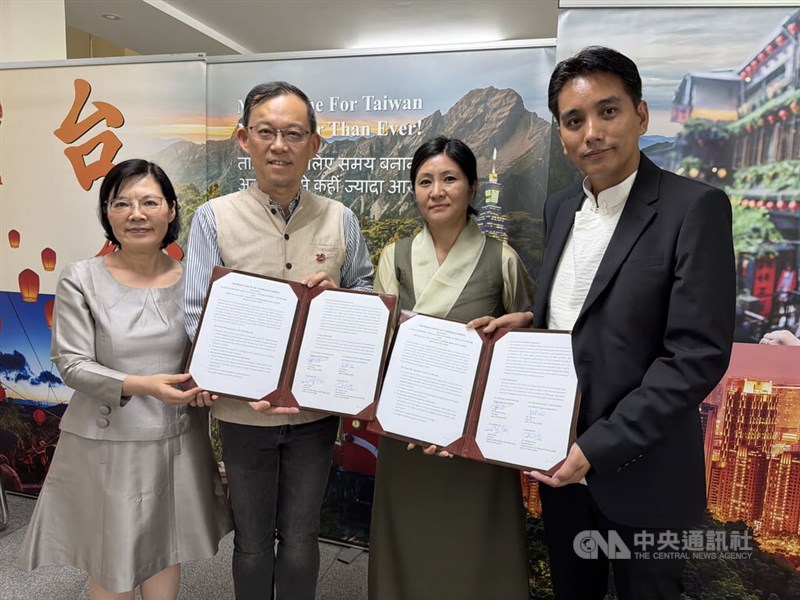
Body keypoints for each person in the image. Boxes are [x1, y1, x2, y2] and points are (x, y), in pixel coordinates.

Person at [485, 47, 735, 599]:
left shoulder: (694, 208)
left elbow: (696, 354)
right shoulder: (558, 207)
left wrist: (597, 449)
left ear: (641, 116)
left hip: (644, 473)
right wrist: (530, 320)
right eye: (574, 121)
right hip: (558, 461)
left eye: (608, 111)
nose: (592, 133)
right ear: (560, 132)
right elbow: (586, 309)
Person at [184, 81, 373, 600]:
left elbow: (366, 294)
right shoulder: (213, 218)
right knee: (250, 543)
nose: (279, 145)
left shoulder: (341, 219)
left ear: (314, 143)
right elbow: (194, 314)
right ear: (243, 139)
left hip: (314, 413)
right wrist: (235, 379)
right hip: (243, 415)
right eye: (266, 132)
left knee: (299, 539)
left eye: (293, 133)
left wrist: (339, 300)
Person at [17, 159, 233, 600]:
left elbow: (211, 355)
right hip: (107, 440)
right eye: (122, 203)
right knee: (110, 557)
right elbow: (72, 363)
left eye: (149, 201)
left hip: (177, 439)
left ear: (171, 210)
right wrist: (145, 385)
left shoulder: (199, 280)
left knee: (165, 546)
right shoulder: (82, 278)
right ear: (107, 213)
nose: (137, 214)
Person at [368, 136, 533, 600]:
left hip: (473, 439)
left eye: (449, 178)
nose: (436, 191)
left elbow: (525, 346)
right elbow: (381, 346)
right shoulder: (394, 257)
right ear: (414, 192)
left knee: (475, 546)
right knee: (410, 542)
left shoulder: (503, 259)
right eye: (425, 181)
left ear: (472, 187)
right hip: (409, 432)